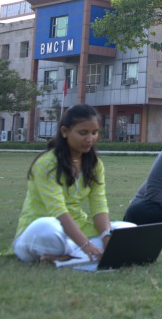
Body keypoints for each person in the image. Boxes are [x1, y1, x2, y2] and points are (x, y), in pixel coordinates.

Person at [11, 104, 134, 263]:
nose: (90, 139)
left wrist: (106, 236)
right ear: (64, 132)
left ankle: (68, 257)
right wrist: (86, 245)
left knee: (128, 229)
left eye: (94, 133)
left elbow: (98, 204)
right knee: (47, 228)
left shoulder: (95, 165)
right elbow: (58, 210)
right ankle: (80, 253)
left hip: (79, 230)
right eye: (83, 133)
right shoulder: (47, 164)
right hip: (43, 232)